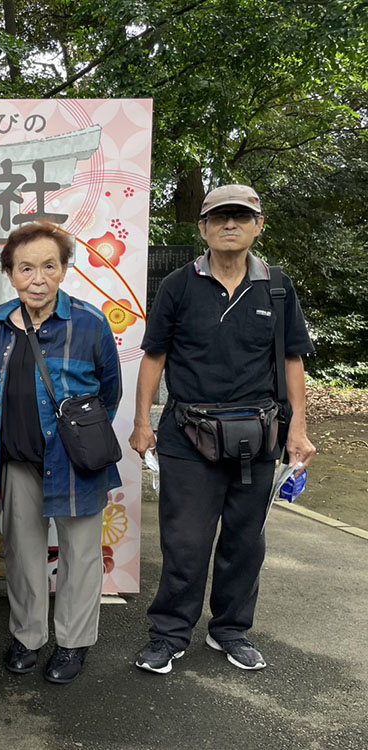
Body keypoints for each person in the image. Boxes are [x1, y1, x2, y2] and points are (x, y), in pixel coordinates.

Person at [130, 184, 315, 674]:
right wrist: (142, 421)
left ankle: (230, 631)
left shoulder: (277, 286)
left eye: (240, 216)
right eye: (220, 217)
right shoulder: (177, 286)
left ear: (258, 225)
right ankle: (168, 635)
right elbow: (155, 357)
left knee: (244, 541)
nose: (230, 225)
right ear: (203, 228)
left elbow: (293, 358)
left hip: (258, 436)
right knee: (185, 542)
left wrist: (298, 428)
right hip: (187, 435)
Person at [0, 221, 122, 685]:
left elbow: (109, 392)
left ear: (63, 270)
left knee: (80, 556)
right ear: (11, 274)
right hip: (15, 464)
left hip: (75, 463)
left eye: (48, 266)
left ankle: (73, 644)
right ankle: (28, 637)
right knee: (23, 556)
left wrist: (80, 441)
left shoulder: (90, 324)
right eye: (26, 268)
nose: (38, 278)